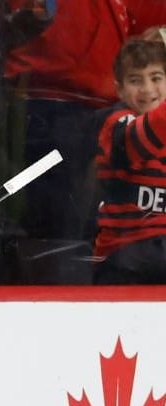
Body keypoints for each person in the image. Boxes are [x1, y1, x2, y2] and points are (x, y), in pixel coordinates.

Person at [92, 39, 166, 284]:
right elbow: (137, 139)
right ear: (120, 90)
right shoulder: (117, 122)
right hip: (123, 255)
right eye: (136, 80)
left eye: (156, 78)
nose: (147, 89)